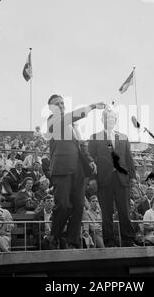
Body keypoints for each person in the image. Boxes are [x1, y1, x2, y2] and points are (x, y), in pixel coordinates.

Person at [46, 94, 104, 249]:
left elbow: (81, 145)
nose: (61, 105)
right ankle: (54, 236)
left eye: (62, 103)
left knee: (78, 206)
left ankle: (72, 242)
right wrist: (91, 106)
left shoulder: (73, 126)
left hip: (78, 171)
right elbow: (70, 117)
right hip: (62, 169)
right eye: (57, 104)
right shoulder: (53, 120)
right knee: (63, 205)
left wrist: (90, 160)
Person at [88, 108, 137, 247]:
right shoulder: (95, 137)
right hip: (104, 179)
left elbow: (129, 158)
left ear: (115, 120)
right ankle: (109, 242)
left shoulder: (123, 137)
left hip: (122, 179)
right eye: (107, 118)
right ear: (102, 120)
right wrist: (92, 178)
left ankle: (128, 240)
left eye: (112, 118)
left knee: (125, 211)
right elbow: (90, 159)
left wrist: (133, 177)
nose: (110, 120)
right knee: (107, 213)